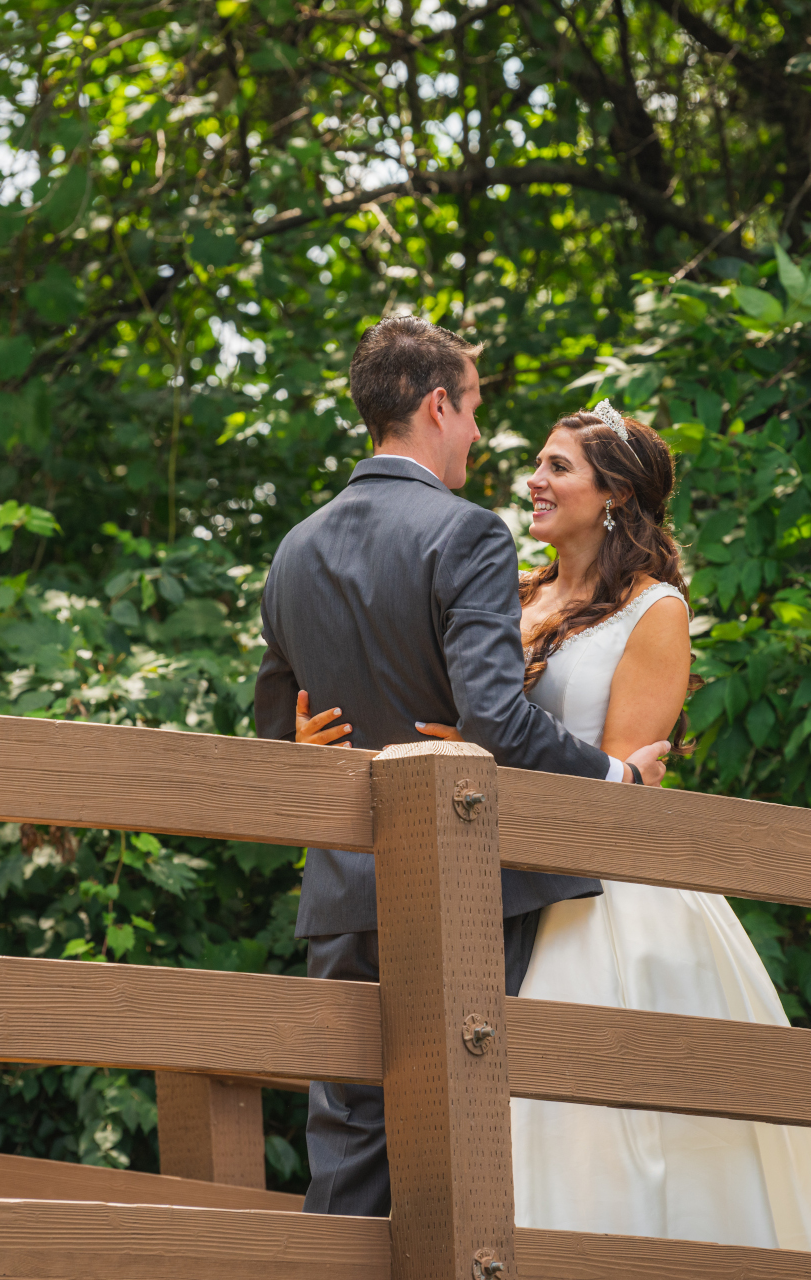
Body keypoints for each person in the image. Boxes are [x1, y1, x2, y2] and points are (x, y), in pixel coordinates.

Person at [295, 402, 811, 1259]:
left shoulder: (655, 612)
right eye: (538, 466)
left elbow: (622, 777)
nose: (534, 483)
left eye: (557, 468)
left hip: (603, 902)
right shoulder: (509, 596)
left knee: (606, 1131)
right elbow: (447, 724)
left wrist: (498, 759)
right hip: (502, 886)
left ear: (614, 494)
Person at [253, 317, 668, 1218]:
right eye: (475, 408)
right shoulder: (467, 535)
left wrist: (307, 758)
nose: (480, 435)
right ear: (438, 404)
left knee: (353, 1145)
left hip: (340, 888)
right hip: (461, 884)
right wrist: (614, 781)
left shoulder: (295, 549)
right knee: (464, 1146)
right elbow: (492, 719)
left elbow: (272, 739)